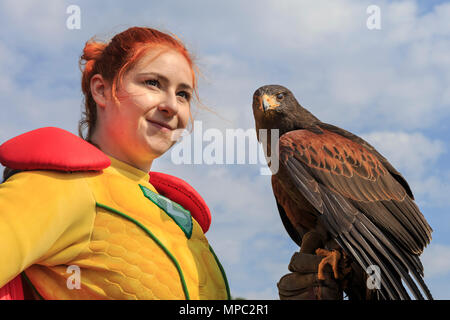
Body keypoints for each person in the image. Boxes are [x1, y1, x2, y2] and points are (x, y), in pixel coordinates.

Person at [0, 26, 230, 300]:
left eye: (183, 94)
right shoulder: (62, 187)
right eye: (153, 83)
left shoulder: (181, 217)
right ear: (101, 90)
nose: (172, 105)